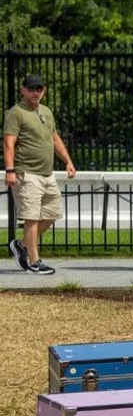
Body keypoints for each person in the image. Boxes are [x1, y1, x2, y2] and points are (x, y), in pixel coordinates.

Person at [4, 74, 76, 275]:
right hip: (26, 173)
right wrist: (10, 170)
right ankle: (34, 261)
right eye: (32, 89)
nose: (36, 92)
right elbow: (9, 142)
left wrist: (68, 161)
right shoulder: (15, 113)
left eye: (39, 89)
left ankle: (21, 245)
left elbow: (54, 138)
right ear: (23, 90)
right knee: (32, 218)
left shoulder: (46, 111)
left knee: (52, 214)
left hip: (47, 173)